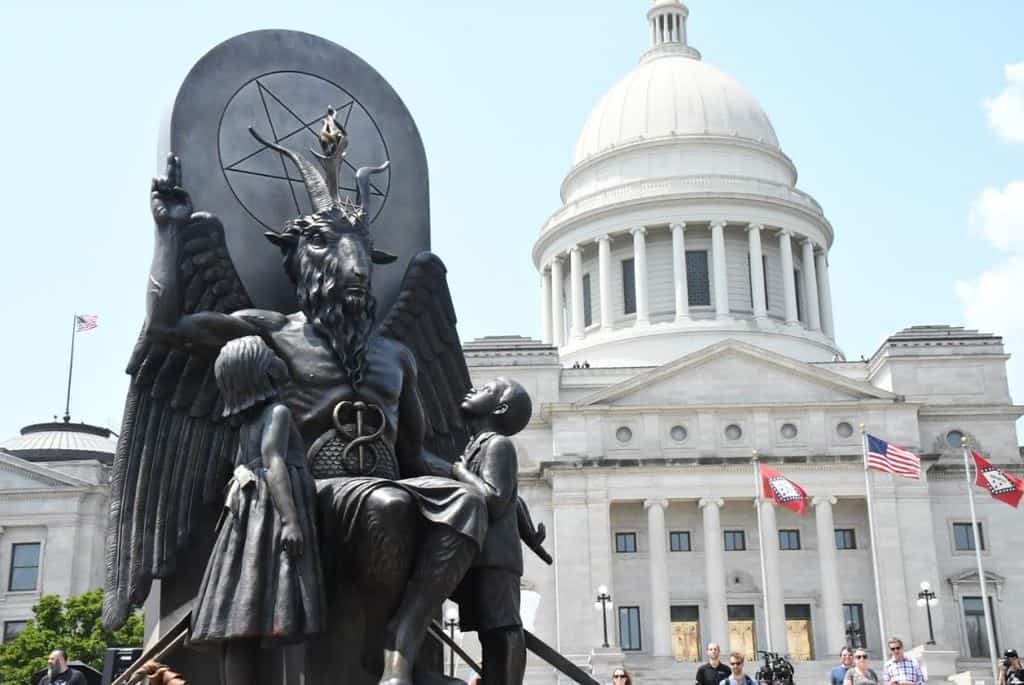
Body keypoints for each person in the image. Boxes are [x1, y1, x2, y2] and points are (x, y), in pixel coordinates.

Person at [189, 337, 325, 685]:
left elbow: (241, 467)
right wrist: (291, 519)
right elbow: (273, 459)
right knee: (276, 611)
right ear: (259, 371)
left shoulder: (245, 423)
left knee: (240, 621)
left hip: (246, 517)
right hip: (269, 513)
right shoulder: (277, 413)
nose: (279, 359)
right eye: (270, 356)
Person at [450, 378, 534, 685]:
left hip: (496, 557)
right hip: (479, 554)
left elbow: (496, 500)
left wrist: (459, 473)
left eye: (486, 390)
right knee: (489, 631)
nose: (473, 388)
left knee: (502, 629)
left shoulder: (498, 444)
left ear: (499, 407)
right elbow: (515, 501)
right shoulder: (477, 445)